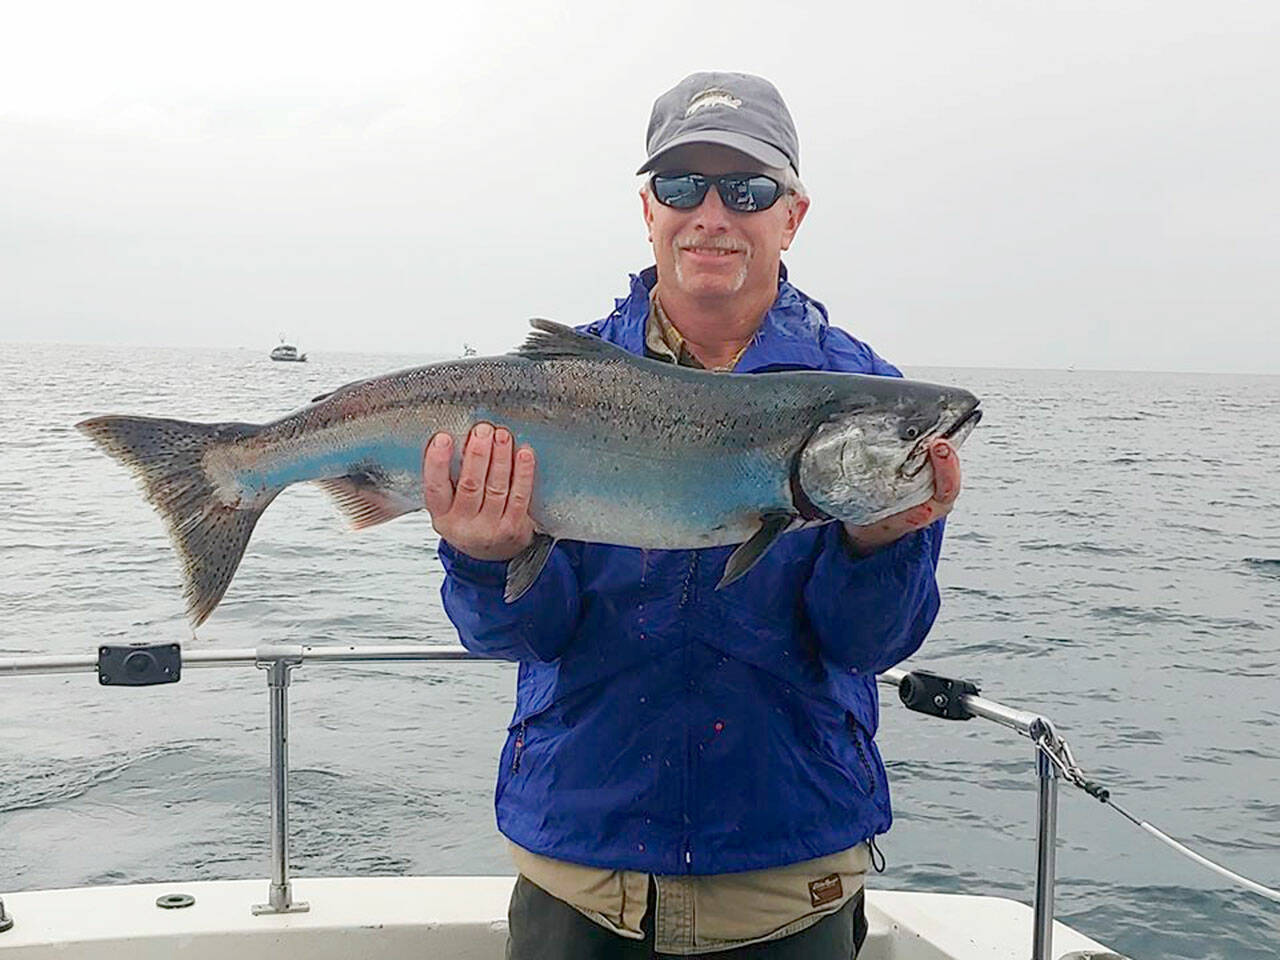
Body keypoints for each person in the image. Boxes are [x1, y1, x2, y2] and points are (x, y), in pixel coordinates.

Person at [422, 72, 964, 959]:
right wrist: (489, 558)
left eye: (747, 189)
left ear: (792, 215)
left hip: (788, 880)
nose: (712, 212)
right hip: (578, 874)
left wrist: (875, 547)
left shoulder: (872, 412)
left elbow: (869, 647)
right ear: (649, 211)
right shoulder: (552, 387)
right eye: (683, 186)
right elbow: (518, 637)